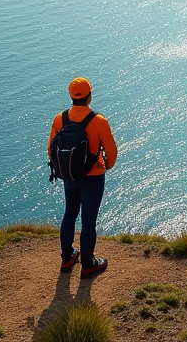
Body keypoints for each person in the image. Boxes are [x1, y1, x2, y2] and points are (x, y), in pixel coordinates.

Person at [47, 76, 118, 278]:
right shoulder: (99, 121)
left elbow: (50, 149)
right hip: (93, 177)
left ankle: (67, 257)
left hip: (69, 175)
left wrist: (65, 169)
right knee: (88, 221)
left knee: (69, 214)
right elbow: (111, 152)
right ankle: (88, 264)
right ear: (89, 95)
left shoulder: (59, 119)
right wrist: (106, 166)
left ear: (71, 96)